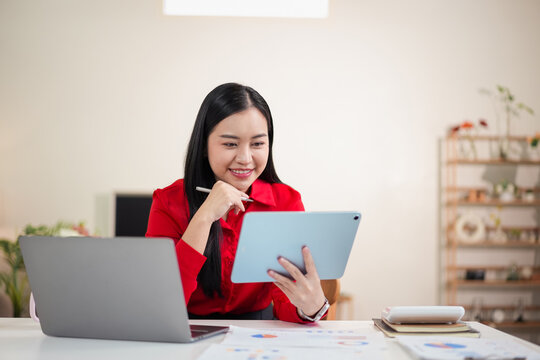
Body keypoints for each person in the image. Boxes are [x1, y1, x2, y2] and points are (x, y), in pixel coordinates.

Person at [146, 83, 328, 322]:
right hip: (185, 327)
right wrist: (204, 217)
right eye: (230, 144)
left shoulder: (286, 201)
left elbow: (284, 302)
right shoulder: (168, 201)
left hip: (257, 334)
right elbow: (161, 301)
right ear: (204, 146)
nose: (245, 159)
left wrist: (311, 308)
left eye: (258, 144)